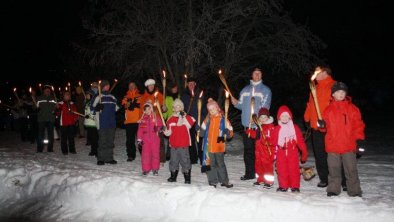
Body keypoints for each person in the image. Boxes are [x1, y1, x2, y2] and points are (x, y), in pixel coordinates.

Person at [322, 82, 365, 197]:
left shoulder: (352, 109)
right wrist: (321, 125)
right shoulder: (328, 110)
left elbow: (358, 125)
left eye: (343, 92)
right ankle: (333, 189)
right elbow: (324, 128)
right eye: (337, 92)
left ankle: (354, 190)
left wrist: (359, 139)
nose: (341, 94)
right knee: (333, 169)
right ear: (333, 95)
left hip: (348, 145)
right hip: (332, 145)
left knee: (351, 169)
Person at [231, 68, 272, 180]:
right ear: (252, 75)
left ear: (261, 75)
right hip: (246, 127)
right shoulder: (245, 90)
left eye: (259, 73)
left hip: (258, 127)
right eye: (255, 73)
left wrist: (258, 119)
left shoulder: (266, 90)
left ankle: (261, 174)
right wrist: (235, 103)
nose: (257, 75)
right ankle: (250, 173)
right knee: (248, 152)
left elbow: (265, 107)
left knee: (259, 152)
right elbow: (240, 105)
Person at [304, 66, 336, 188]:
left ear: (325, 73)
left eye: (317, 71)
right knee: (319, 154)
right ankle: (324, 178)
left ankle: (338, 179)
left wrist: (328, 121)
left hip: (330, 127)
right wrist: (307, 118)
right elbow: (310, 105)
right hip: (316, 127)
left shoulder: (334, 86)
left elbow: (338, 106)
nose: (314, 74)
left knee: (333, 154)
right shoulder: (314, 88)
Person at [272, 105, 308, 192]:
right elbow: (273, 142)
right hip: (281, 152)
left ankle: (295, 186)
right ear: (279, 117)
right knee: (281, 170)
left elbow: (300, 141)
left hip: (292, 152)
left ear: (290, 117)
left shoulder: (295, 128)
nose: (284, 118)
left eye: (286, 116)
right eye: (282, 116)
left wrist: (304, 152)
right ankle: (283, 186)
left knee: (294, 170)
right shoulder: (277, 129)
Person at [200, 98, 234, 188]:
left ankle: (224, 181)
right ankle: (213, 181)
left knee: (220, 164)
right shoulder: (207, 119)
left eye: (213, 109)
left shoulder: (223, 119)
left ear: (217, 108)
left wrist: (228, 132)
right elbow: (201, 130)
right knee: (210, 164)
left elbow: (231, 132)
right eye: (210, 110)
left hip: (219, 145)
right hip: (209, 145)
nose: (211, 111)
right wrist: (199, 130)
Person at [164, 99, 195, 184]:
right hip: (174, 145)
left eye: (180, 106)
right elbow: (169, 131)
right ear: (173, 108)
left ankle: (187, 177)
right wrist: (166, 132)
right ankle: (173, 176)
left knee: (185, 161)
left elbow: (191, 123)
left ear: (182, 108)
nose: (178, 108)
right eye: (176, 106)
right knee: (173, 161)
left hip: (183, 144)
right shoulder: (170, 119)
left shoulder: (186, 117)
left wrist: (183, 116)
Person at [245, 108, 275, 188]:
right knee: (258, 166)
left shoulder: (270, 127)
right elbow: (256, 136)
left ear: (268, 118)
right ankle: (260, 180)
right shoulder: (260, 127)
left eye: (264, 117)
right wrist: (250, 132)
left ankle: (269, 181)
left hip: (266, 152)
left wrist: (268, 142)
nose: (263, 119)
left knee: (267, 167)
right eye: (261, 117)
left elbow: (273, 138)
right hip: (258, 151)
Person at [140, 78, 167, 165]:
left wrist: (164, 108)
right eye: (149, 86)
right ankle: (150, 158)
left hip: (157, 121)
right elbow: (141, 110)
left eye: (152, 85)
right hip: (148, 123)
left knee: (159, 140)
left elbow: (163, 107)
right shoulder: (143, 97)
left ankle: (161, 159)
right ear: (147, 87)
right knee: (148, 143)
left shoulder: (159, 95)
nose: (151, 87)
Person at [93, 80, 119, 165]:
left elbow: (116, 108)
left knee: (110, 141)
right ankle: (100, 158)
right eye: (106, 85)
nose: (107, 87)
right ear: (102, 87)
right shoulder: (98, 97)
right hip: (102, 122)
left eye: (108, 85)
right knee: (102, 141)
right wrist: (97, 107)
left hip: (111, 123)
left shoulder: (112, 97)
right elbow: (92, 108)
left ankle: (109, 158)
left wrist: (122, 105)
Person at [181, 77, 206, 165]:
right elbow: (182, 108)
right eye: (189, 84)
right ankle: (193, 158)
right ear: (187, 85)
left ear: (195, 84)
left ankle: (202, 157)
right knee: (190, 139)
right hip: (189, 120)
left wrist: (202, 118)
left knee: (200, 139)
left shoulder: (200, 94)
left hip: (199, 120)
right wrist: (183, 115)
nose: (191, 85)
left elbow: (204, 107)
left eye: (192, 83)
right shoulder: (184, 95)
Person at [137, 101, 163, 175]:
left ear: (151, 109)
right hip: (145, 140)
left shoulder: (156, 117)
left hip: (154, 139)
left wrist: (159, 129)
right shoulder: (142, 120)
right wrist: (139, 139)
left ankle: (155, 169)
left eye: (149, 109)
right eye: (146, 109)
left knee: (155, 154)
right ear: (144, 111)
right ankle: (146, 169)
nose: (147, 111)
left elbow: (160, 127)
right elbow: (140, 130)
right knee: (145, 155)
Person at [122, 81, 141, 161]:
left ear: (135, 86)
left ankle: (144, 153)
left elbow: (142, 104)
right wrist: (127, 105)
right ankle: (131, 155)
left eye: (133, 85)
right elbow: (124, 104)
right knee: (130, 140)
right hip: (129, 121)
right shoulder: (126, 96)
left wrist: (135, 104)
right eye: (130, 85)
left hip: (138, 121)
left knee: (141, 139)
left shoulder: (140, 96)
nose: (131, 87)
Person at [36, 85, 57, 153]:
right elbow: (34, 107)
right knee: (40, 134)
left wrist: (57, 109)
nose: (47, 91)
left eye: (48, 90)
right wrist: (36, 108)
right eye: (46, 90)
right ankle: (40, 149)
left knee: (51, 134)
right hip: (42, 118)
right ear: (43, 91)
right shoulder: (39, 98)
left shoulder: (54, 98)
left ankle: (50, 148)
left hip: (51, 118)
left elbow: (57, 108)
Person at [163, 82, 179, 160]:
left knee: (177, 138)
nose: (175, 89)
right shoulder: (167, 98)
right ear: (171, 89)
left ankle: (178, 154)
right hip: (170, 120)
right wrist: (163, 115)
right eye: (173, 88)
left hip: (178, 120)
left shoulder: (179, 97)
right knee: (170, 138)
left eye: (176, 88)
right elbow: (165, 111)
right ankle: (169, 154)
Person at [84, 90, 98, 156]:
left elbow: (94, 112)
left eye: (88, 94)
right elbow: (86, 112)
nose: (87, 96)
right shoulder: (87, 102)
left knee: (95, 138)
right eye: (86, 94)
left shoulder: (93, 102)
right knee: (91, 139)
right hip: (88, 123)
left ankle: (96, 151)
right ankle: (93, 150)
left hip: (93, 123)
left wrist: (89, 115)